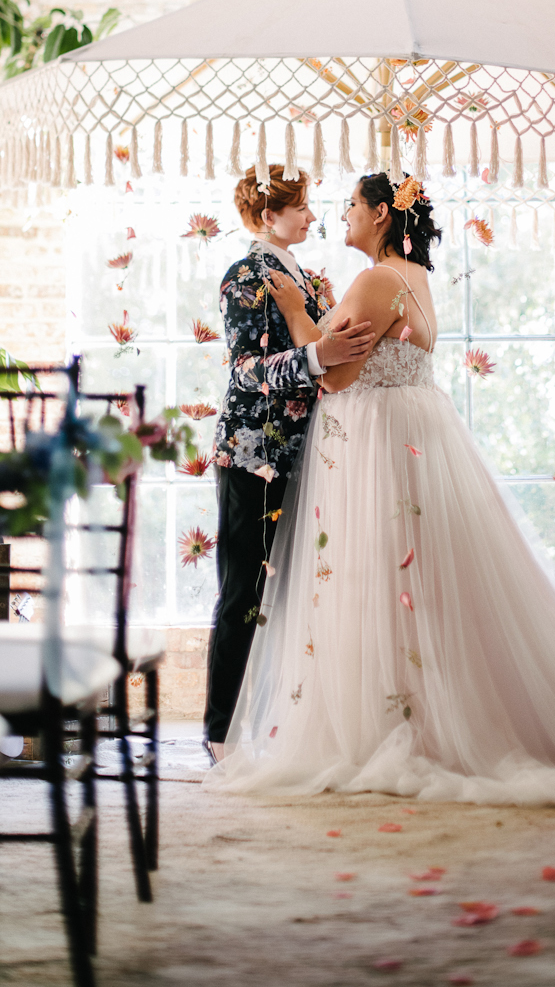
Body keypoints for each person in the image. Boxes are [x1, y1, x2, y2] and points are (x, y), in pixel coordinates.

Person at [210, 172, 555, 806]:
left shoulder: (374, 281)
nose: (339, 216)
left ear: (382, 214)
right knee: (402, 584)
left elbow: (334, 378)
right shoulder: (415, 279)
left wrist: (294, 311)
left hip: (374, 441)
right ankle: (405, 712)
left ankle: (383, 724)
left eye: (351, 206)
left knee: (374, 579)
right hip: (404, 434)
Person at [203, 165, 375, 762]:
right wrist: (314, 357)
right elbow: (243, 372)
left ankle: (276, 724)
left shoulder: (305, 275)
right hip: (251, 456)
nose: (312, 216)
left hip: (303, 452)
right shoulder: (244, 275)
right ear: (266, 216)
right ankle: (220, 735)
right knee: (241, 593)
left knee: (295, 590)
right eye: (300, 208)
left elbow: (323, 348)